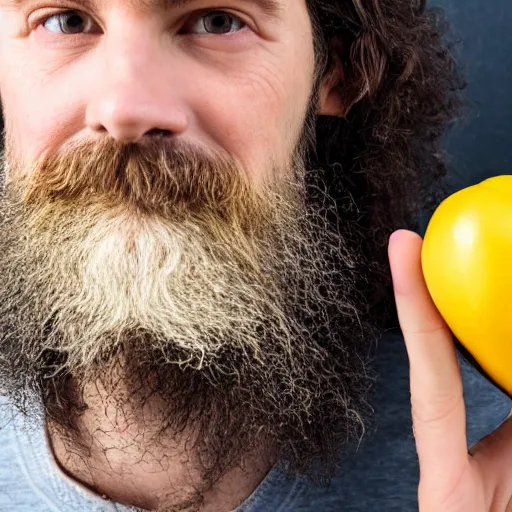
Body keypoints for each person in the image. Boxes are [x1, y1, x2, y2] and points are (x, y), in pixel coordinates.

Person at [0, 0, 509, 511]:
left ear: (336, 72)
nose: (125, 109)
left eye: (218, 22)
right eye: (64, 20)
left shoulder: (490, 457)